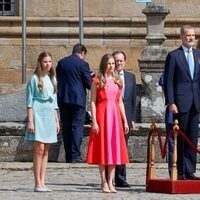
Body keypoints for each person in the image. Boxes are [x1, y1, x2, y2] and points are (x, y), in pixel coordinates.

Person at [86, 54, 129, 193]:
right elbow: (92, 101)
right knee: (103, 149)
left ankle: (111, 182)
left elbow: (120, 101)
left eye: (113, 63)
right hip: (102, 115)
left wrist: (125, 121)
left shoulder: (118, 81)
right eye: (109, 63)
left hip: (115, 116)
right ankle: (103, 181)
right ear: (104, 64)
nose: (111, 66)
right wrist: (94, 122)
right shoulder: (97, 80)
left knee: (114, 150)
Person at [164, 25, 200, 180]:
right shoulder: (174, 56)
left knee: (192, 137)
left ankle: (190, 169)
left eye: (193, 35)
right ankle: (180, 170)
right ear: (182, 37)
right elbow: (168, 81)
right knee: (182, 138)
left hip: (196, 102)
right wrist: (170, 102)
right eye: (188, 35)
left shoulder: (198, 54)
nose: (191, 38)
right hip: (180, 102)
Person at [24, 52, 60, 192]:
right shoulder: (34, 79)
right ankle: (37, 182)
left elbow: (55, 102)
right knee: (39, 149)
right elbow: (29, 102)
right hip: (38, 114)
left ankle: (43, 181)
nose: (48, 64)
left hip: (50, 115)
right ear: (40, 62)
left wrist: (57, 120)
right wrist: (30, 121)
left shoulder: (53, 79)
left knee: (46, 150)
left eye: (50, 61)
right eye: (45, 61)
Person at [56, 44, 91, 163]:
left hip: (63, 99)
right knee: (76, 127)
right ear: (82, 53)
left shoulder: (61, 63)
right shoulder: (83, 64)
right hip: (78, 100)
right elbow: (89, 84)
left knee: (66, 128)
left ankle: (68, 156)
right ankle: (75, 156)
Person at [112, 50, 137, 187]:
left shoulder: (130, 77)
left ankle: (121, 178)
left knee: (123, 148)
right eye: (116, 61)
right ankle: (109, 177)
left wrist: (132, 118)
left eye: (121, 61)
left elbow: (133, 99)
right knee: (111, 147)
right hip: (111, 116)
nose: (119, 63)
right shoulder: (108, 77)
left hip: (126, 118)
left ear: (125, 62)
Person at [159, 73, 173, 176]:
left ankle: (187, 171)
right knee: (172, 144)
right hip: (172, 112)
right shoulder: (168, 72)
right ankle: (173, 170)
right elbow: (165, 91)